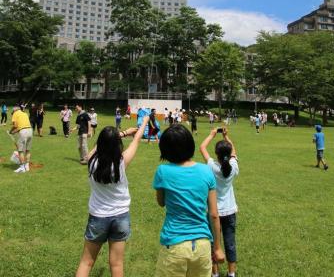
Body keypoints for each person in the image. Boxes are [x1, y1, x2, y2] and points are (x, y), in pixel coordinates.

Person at [76, 115, 150, 277]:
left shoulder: (91, 160)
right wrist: (144, 121)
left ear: (100, 143)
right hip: (121, 217)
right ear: (117, 145)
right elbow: (137, 139)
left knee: (86, 262)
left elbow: (99, 145)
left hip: (98, 217)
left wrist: (121, 133)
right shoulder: (121, 162)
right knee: (116, 264)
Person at [153, 124, 225, 277]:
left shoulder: (163, 171)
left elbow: (161, 202)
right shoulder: (206, 170)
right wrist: (217, 248)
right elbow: (213, 214)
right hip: (203, 244)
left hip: (174, 244)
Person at [200, 128, 239, 277]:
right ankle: (231, 273)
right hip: (229, 211)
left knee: (213, 244)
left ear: (216, 153)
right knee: (230, 243)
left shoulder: (212, 167)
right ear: (229, 155)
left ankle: (215, 273)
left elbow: (202, 148)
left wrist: (211, 134)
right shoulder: (233, 167)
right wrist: (226, 136)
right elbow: (233, 151)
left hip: (213, 212)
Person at [9, 104, 33, 173]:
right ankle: (27, 166)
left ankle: (22, 168)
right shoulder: (24, 113)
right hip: (30, 130)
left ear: (14, 110)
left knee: (20, 151)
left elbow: (15, 126)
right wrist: (14, 132)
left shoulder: (15, 113)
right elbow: (21, 126)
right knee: (28, 150)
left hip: (23, 132)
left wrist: (11, 131)